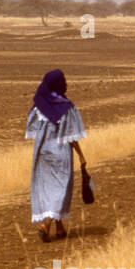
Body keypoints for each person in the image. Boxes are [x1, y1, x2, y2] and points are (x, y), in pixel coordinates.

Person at [25, 68, 87, 242]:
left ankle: (60, 229)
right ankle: (46, 224)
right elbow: (71, 136)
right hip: (61, 155)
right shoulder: (66, 108)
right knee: (61, 189)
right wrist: (81, 156)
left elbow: (33, 133)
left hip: (43, 154)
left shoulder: (38, 107)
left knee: (49, 189)